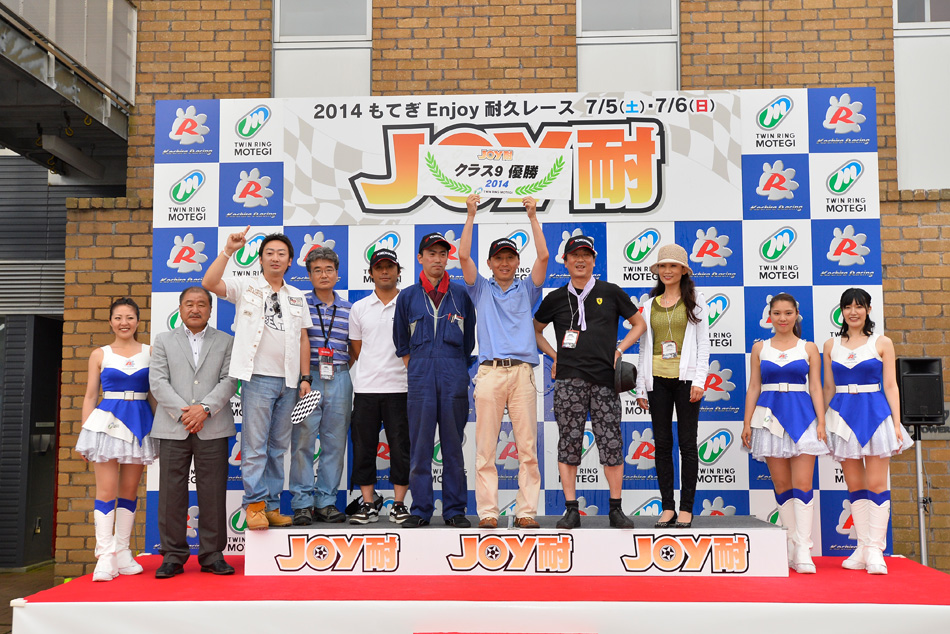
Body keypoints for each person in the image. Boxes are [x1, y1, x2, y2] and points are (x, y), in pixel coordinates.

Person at [202, 228, 313, 531]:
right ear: (260, 259)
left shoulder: (297, 296)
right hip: (258, 378)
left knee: (278, 448)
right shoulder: (245, 286)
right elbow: (209, 283)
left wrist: (305, 377)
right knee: (255, 447)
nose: (275, 258)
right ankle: (254, 505)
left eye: (281, 254)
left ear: (290, 261)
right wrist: (228, 250)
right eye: (270, 253)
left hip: (289, 381)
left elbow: (303, 339)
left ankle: (272, 506)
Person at [534, 235, 646, 529]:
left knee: (611, 443)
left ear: (594, 261)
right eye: (574, 255)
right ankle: (571, 509)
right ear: (565, 261)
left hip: (605, 381)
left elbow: (639, 324)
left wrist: (619, 350)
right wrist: (555, 356)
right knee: (568, 443)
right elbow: (535, 331)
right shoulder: (555, 298)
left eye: (586, 255)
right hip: (568, 380)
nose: (580, 260)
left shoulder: (611, 292)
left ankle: (616, 509)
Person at [460, 194, 548, 529]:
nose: (505, 263)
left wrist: (533, 217)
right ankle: (488, 512)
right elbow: (463, 255)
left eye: (510, 257)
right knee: (485, 449)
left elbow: (543, 256)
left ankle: (526, 512)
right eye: (499, 258)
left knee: (527, 448)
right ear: (490, 263)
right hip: (489, 373)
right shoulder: (480, 289)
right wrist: (471, 215)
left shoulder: (527, 289)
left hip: (523, 373)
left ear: (517, 261)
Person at [149, 287, 239, 578]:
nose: (195, 309)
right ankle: (172, 555)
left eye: (202, 304)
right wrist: (185, 413)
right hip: (173, 426)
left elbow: (230, 380)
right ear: (180, 308)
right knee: (171, 494)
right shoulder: (163, 340)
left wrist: (205, 409)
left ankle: (212, 555)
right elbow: (158, 381)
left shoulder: (226, 341)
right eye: (189, 304)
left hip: (213, 426)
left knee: (213, 492)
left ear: (210, 310)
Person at [822, 288, 913, 575]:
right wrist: (822, 422)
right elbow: (828, 387)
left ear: (868, 310)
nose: (853, 312)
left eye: (859, 306)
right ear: (841, 311)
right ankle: (863, 547)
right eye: (848, 307)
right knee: (855, 485)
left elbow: (891, 385)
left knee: (876, 484)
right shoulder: (830, 345)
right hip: (842, 417)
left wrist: (896, 422)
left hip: (875, 414)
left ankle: (875, 549)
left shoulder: (882, 342)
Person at [393, 232, 477, 528]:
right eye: (432, 253)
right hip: (420, 379)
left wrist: (452, 367)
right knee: (420, 447)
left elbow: (469, 343)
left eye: (443, 254)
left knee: (453, 447)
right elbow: (401, 343)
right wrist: (419, 368)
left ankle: (454, 510)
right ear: (420, 258)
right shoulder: (407, 296)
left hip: (454, 376)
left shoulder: (460, 295)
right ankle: (421, 509)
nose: (438, 259)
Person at [741, 293, 828, 574]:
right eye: (777, 313)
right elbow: (754, 386)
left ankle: (803, 548)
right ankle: (792, 545)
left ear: (796, 315)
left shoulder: (809, 347)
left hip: (803, 417)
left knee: (803, 484)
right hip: (769, 419)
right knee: (781, 485)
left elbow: (816, 387)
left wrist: (822, 422)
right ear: (769, 316)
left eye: (788, 313)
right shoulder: (760, 348)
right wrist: (746, 423)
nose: (782, 318)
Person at [76, 297, 157, 582]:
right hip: (106, 425)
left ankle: (123, 552)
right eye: (119, 317)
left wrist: (159, 430)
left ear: (138, 321)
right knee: (106, 491)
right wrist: (86, 434)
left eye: (130, 317)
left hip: (139, 423)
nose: (124, 323)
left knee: (129, 491)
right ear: (110, 321)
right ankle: (105, 556)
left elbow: (154, 395)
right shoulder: (100, 354)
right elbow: (90, 396)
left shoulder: (150, 352)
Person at [635, 243, 709, 530]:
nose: (667, 271)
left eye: (673, 266)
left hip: (687, 381)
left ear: (683, 271)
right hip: (657, 381)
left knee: (687, 445)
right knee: (663, 445)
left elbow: (703, 345)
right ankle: (667, 507)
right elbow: (644, 348)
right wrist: (641, 386)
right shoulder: (648, 304)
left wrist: (699, 381)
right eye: (663, 266)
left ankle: (686, 508)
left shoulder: (696, 301)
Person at [289, 247, 353, 525]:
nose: (324, 275)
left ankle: (326, 501)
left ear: (337, 274)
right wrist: (306, 375)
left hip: (340, 376)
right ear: (309, 275)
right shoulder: (299, 304)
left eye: (329, 269)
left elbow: (354, 348)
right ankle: (302, 503)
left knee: (334, 443)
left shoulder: (349, 309)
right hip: (308, 378)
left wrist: (341, 369)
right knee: (303, 441)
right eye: (317, 270)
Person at [347, 248, 411, 524]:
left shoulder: (409, 304)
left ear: (398, 271)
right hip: (366, 389)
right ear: (371, 273)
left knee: (401, 449)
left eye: (390, 267)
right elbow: (357, 349)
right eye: (379, 267)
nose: (385, 271)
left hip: (402, 388)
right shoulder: (359, 308)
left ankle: (399, 504)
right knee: (363, 448)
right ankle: (368, 504)